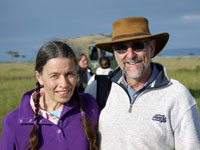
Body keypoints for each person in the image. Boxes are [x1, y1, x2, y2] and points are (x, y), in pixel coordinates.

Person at [85, 16, 200, 149]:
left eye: (138, 46)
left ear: (151, 48)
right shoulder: (97, 89)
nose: (130, 55)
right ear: (115, 53)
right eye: (121, 48)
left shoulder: (178, 96)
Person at [0, 41, 99, 150]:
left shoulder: (90, 105)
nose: (64, 84)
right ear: (39, 77)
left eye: (69, 74)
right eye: (54, 76)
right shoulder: (13, 122)